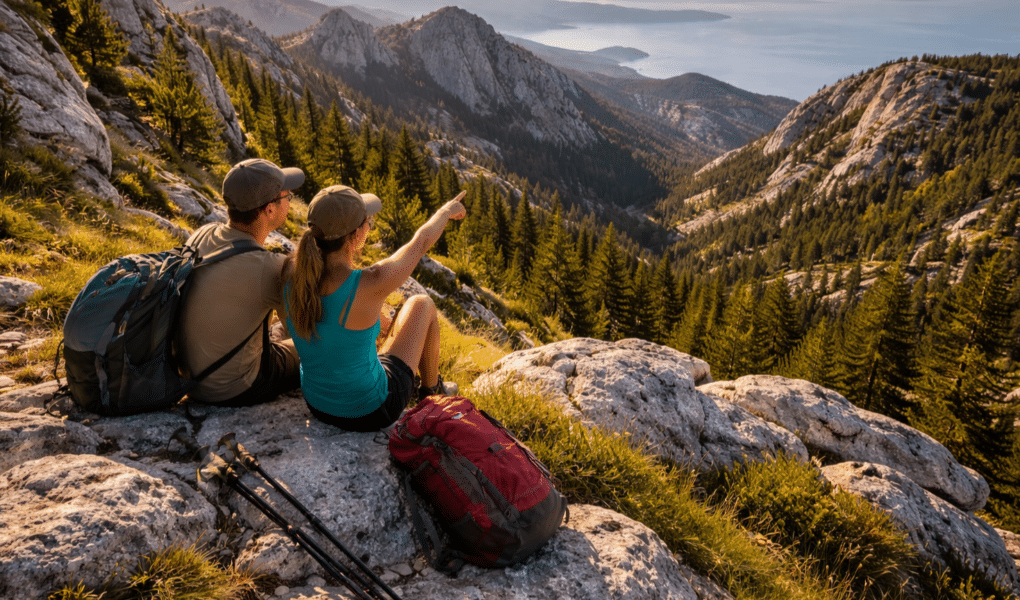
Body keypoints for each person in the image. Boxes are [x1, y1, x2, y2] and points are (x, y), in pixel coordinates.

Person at [283, 185, 467, 432]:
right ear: (355, 235)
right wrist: (445, 211)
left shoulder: (288, 276)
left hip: (318, 405)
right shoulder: (369, 283)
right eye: (367, 222)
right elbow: (421, 242)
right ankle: (431, 397)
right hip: (371, 410)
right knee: (422, 304)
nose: (369, 226)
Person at [178, 158, 304, 406]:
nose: (289, 202)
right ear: (269, 209)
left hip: (185, 377)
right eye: (287, 196)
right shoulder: (269, 267)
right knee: (314, 350)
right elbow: (303, 335)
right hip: (234, 388)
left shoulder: (203, 233)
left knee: (272, 331)